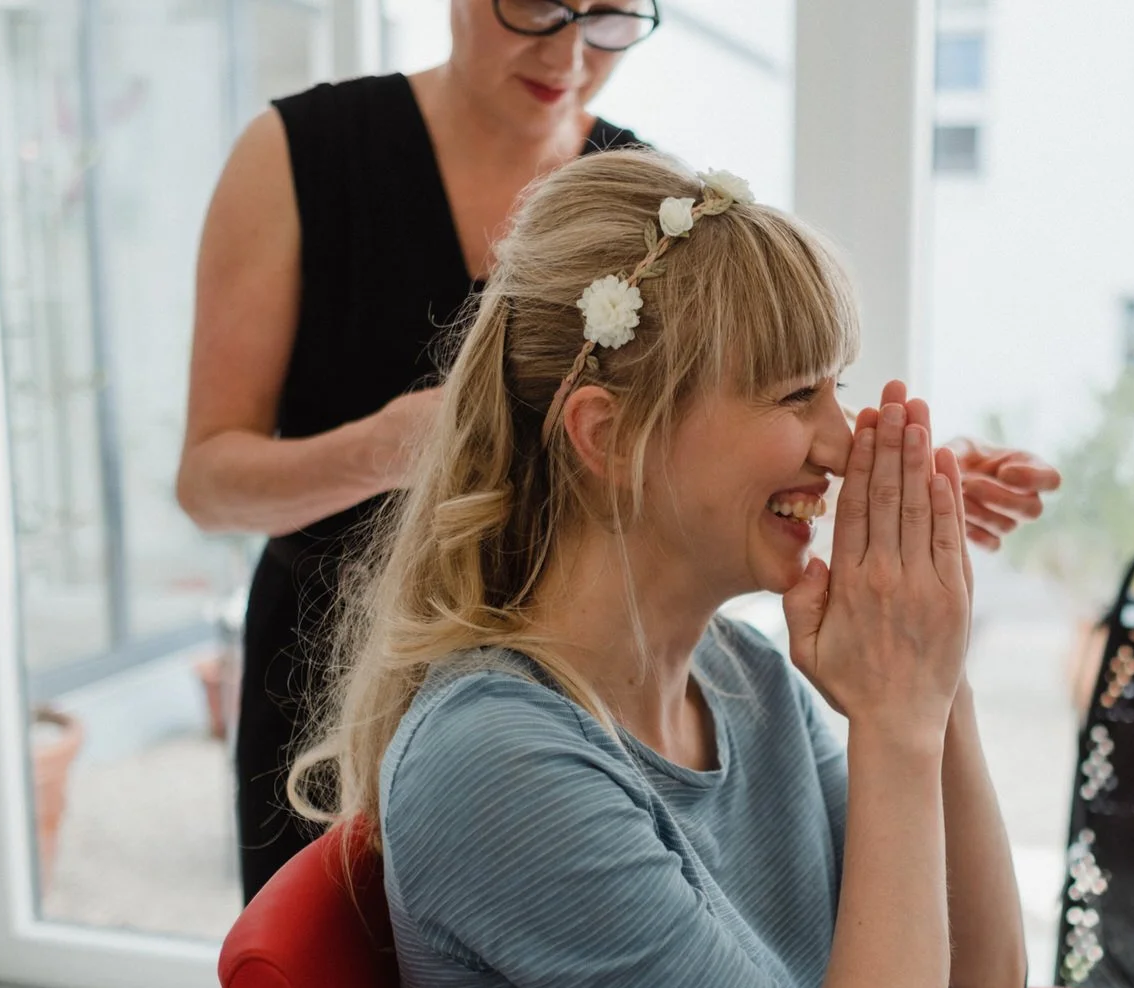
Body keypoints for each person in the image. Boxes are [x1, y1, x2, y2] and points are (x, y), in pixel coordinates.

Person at [177, 0, 1058, 904]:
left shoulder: (656, 205)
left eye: (609, 16)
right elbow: (208, 486)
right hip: (333, 661)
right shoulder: (301, 158)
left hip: (586, 675)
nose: (569, 50)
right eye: (536, 6)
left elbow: (725, 414)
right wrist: (388, 448)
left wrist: (887, 472)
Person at [289, 148, 1028, 988]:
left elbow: (982, 985)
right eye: (799, 395)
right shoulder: (495, 766)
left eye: (838, 387)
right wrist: (896, 716)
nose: (843, 447)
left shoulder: (743, 678)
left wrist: (930, 655)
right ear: (609, 435)